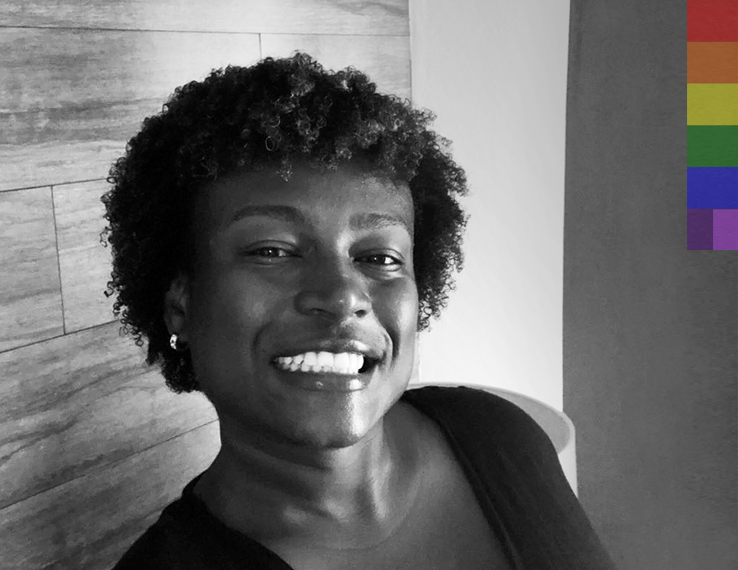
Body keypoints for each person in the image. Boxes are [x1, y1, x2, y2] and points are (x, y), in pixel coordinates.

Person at [104, 54, 616, 569]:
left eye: (379, 258)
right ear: (181, 304)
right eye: (273, 250)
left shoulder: (498, 433)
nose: (344, 295)